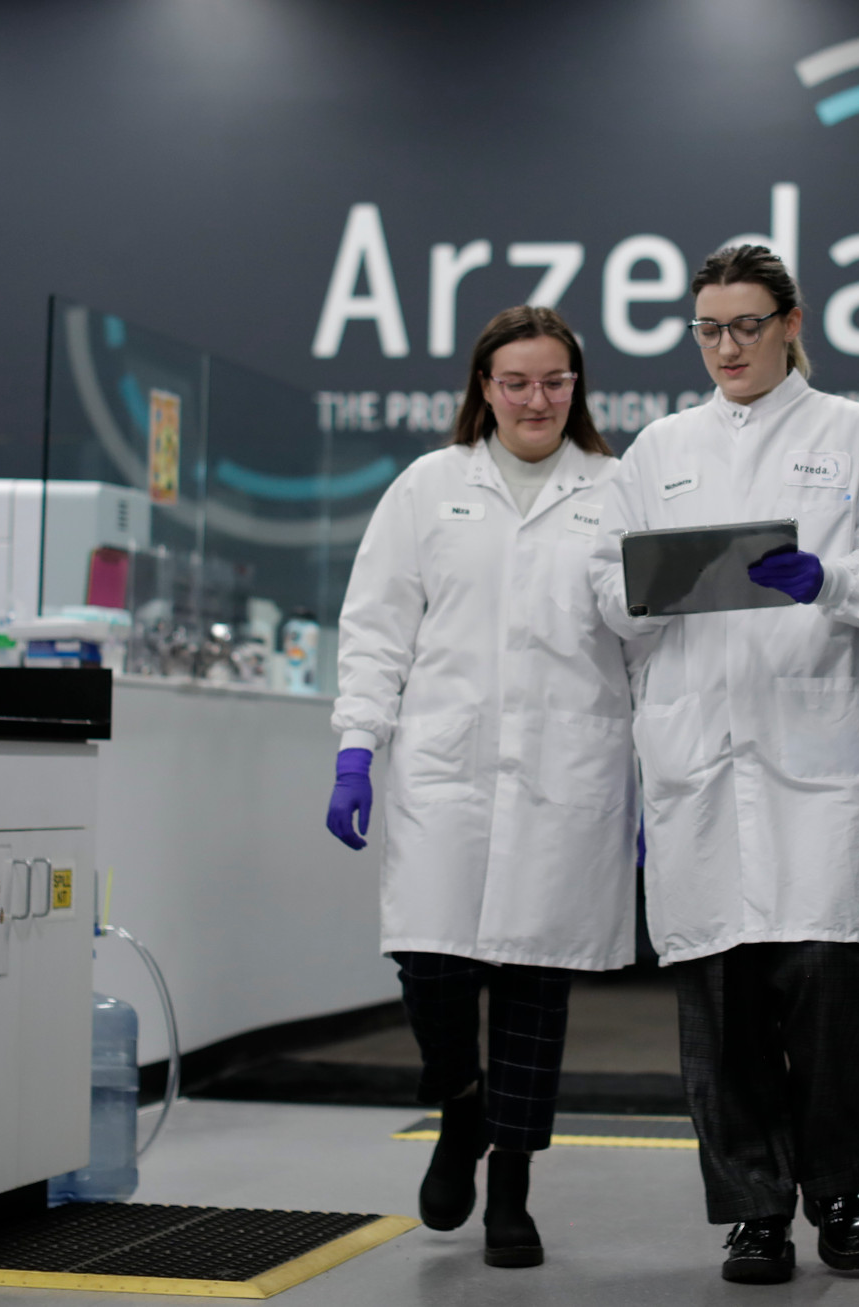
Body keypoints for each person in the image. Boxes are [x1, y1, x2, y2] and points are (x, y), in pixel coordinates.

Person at [588, 243, 859, 1285]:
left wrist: (826, 577)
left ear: (790, 323)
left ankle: (835, 1191)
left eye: (746, 325)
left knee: (833, 982)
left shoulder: (855, 435)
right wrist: (650, 586)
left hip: (820, 752)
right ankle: (754, 1210)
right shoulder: (661, 448)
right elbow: (604, 586)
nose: (726, 347)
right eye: (708, 329)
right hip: (701, 756)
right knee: (723, 997)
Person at [323, 304, 635, 1270]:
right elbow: (377, 626)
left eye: (555, 381)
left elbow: (650, 648)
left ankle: (512, 1188)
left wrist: (656, 782)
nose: (537, 399)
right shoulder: (429, 486)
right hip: (445, 769)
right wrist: (356, 747)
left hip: (566, 772)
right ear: (485, 389)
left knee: (536, 985)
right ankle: (462, 1107)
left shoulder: (617, 491)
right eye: (517, 381)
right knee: (432, 965)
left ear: (576, 387)